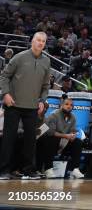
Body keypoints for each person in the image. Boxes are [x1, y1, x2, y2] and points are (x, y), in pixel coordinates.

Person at [0, 32, 51, 179]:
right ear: (32, 41)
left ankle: (28, 170)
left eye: (43, 41)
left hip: (33, 107)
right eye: (38, 40)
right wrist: (6, 94)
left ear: (45, 44)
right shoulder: (20, 57)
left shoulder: (46, 61)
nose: (40, 43)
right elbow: (4, 75)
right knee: (9, 138)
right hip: (13, 104)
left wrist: (42, 100)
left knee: (30, 140)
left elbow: (46, 85)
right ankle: (3, 170)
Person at [36, 98, 84, 179]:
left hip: (64, 141)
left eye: (71, 105)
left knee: (78, 142)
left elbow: (73, 131)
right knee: (50, 139)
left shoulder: (73, 117)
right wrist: (66, 136)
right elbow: (50, 132)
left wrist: (73, 135)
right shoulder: (54, 115)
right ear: (61, 105)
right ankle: (48, 169)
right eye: (67, 104)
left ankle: (74, 169)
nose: (69, 106)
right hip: (50, 141)